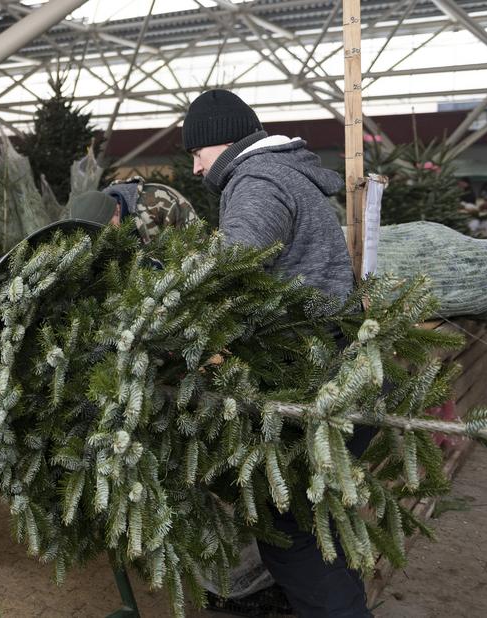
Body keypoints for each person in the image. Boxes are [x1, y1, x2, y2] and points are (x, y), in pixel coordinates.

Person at [183, 88, 372, 617]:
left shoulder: (257, 182)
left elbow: (230, 270)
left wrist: (177, 313)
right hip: (331, 365)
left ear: (217, 143)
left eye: (195, 155)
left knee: (293, 531)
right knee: (317, 520)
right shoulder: (286, 172)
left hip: (303, 378)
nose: (196, 170)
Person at [69, 176, 200, 240]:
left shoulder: (162, 200)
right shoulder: (95, 208)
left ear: (117, 210)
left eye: (105, 230)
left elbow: (196, 242)